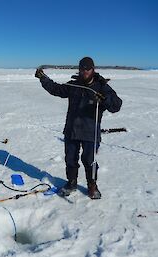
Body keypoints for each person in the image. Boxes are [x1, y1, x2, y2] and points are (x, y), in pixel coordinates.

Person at [35, 57, 122, 199]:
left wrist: (106, 100)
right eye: (82, 69)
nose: (85, 71)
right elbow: (56, 89)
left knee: (89, 160)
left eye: (88, 69)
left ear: (93, 69)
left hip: (90, 132)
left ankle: (92, 185)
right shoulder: (74, 85)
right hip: (71, 130)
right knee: (70, 159)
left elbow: (116, 106)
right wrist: (43, 78)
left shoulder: (101, 86)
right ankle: (72, 182)